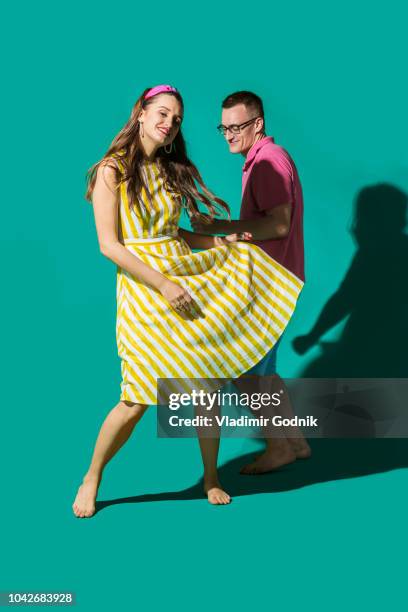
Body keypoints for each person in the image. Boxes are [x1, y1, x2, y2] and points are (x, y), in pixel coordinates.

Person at [72, 85, 304, 517]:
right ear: (140, 114)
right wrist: (161, 285)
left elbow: (175, 234)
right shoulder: (112, 170)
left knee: (206, 383)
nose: (169, 124)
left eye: (176, 119)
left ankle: (211, 478)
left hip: (181, 274)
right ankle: (92, 477)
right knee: (136, 398)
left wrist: (223, 238)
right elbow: (110, 245)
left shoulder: (167, 170)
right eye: (162, 114)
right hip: (146, 288)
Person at [192, 91, 311, 474]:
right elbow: (268, 227)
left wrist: (221, 227)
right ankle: (295, 442)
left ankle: (278, 447)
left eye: (237, 126)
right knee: (266, 370)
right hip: (275, 276)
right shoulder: (263, 159)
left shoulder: (266, 163)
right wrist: (226, 235)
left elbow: (278, 225)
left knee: (244, 368)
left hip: (269, 281)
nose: (228, 134)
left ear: (257, 124)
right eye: (223, 128)